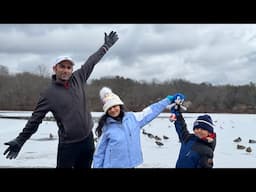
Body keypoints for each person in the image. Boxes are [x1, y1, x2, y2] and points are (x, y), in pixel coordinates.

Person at [3, 31, 119, 168]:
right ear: (55, 68)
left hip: (87, 141)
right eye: (62, 67)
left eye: (69, 67)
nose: (66, 70)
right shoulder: (48, 94)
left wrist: (106, 46)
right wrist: (20, 140)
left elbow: (92, 61)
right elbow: (35, 120)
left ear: (72, 69)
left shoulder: (79, 78)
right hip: (68, 145)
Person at [92, 86, 178, 168]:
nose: (113, 110)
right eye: (109, 108)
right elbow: (99, 153)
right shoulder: (106, 127)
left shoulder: (133, 118)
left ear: (119, 105)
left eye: (114, 106)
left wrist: (168, 100)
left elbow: (151, 111)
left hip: (131, 165)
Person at [170, 95, 217, 168]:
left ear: (209, 132)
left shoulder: (207, 151)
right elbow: (181, 128)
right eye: (197, 128)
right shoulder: (188, 139)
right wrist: (177, 113)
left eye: (203, 129)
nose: (199, 131)